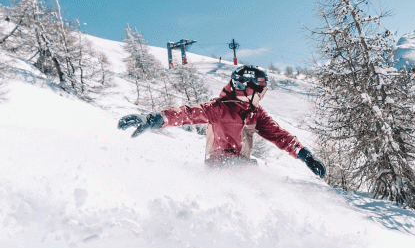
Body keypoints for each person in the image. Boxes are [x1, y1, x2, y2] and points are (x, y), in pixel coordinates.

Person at [117, 64, 326, 177]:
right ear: (244, 87)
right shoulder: (219, 108)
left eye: (263, 91)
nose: (261, 94)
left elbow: (279, 136)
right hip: (220, 166)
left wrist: (305, 156)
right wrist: (155, 118)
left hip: (242, 166)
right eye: (258, 90)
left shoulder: (255, 112)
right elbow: (188, 113)